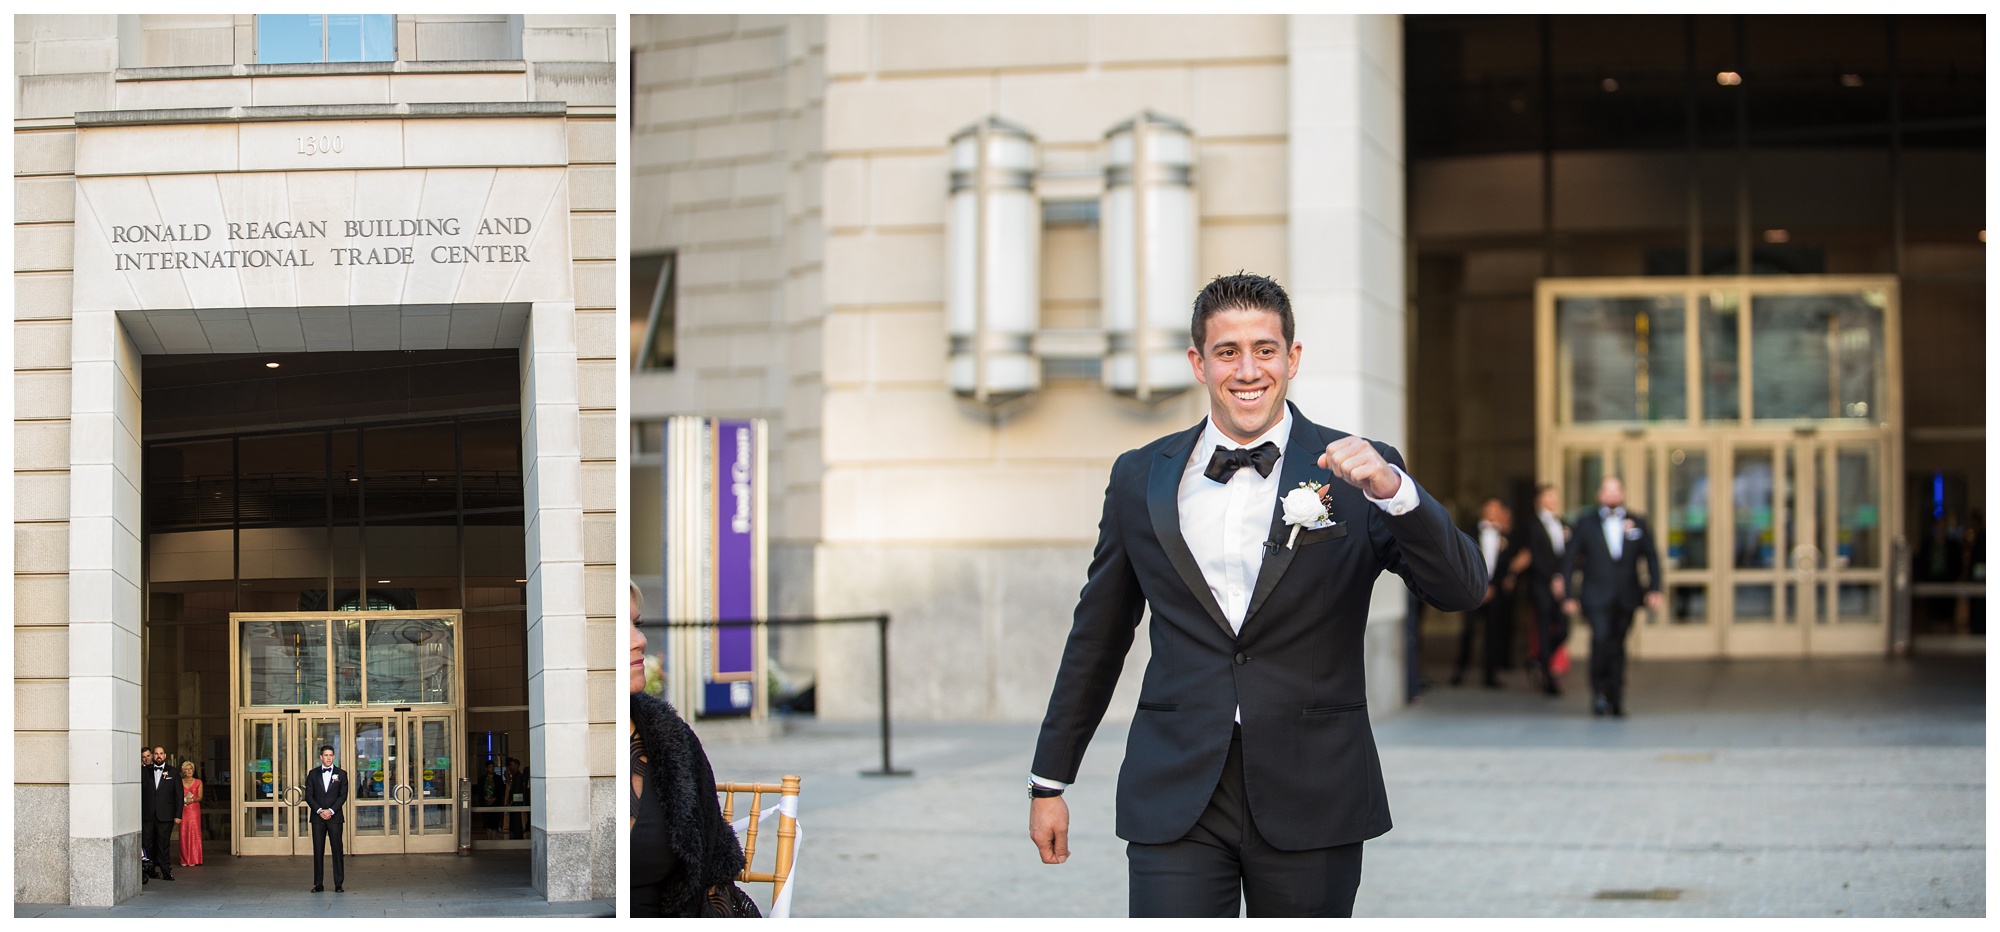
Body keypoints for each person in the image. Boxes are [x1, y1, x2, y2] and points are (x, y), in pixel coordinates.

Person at [1027, 274, 1488, 918]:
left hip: (1313, 788)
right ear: (1198, 363)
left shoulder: (1362, 471)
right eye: (1227, 352)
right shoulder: (1140, 476)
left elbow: (1464, 589)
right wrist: (1050, 779)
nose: (1248, 370)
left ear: (1292, 358)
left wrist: (1397, 492)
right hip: (1178, 788)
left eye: (1266, 350)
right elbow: (1098, 635)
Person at [628, 581, 753, 917]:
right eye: (617, 630)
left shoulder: (673, 738)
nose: (640, 641)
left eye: (636, 625)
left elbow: (712, 871)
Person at [1561, 476, 1662, 717]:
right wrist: (1568, 594)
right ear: (1599, 495)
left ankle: (1616, 696)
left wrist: (1655, 589)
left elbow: (1652, 556)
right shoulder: (1585, 523)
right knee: (1601, 639)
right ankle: (1599, 693)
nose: (1612, 494)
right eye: (1607, 490)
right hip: (1596, 595)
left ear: (1623, 493)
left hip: (1626, 595)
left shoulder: (1637, 521)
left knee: (1618, 646)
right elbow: (1569, 560)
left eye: (1616, 490)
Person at [1453, 497, 1521, 689]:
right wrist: (1477, 587)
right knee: (1468, 631)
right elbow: (1462, 561)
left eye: (1496, 509)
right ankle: (1460, 670)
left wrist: (1494, 587)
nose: (1493, 512)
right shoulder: (1469, 531)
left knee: (1493, 634)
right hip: (1472, 590)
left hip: (1495, 591)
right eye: (1489, 508)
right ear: (1483, 510)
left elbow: (1509, 565)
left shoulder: (1508, 535)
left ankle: (1490, 675)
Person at [1522, 484, 1572, 696]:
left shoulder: (1564, 523)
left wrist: (1563, 578)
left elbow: (1570, 556)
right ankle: (1548, 677)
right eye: (1548, 497)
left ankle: (1539, 660)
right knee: (1543, 628)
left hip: (1562, 585)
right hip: (1542, 585)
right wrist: (1552, 579)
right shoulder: (1533, 526)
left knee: (1563, 627)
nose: (1552, 500)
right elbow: (1537, 558)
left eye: (1555, 497)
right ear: (1540, 500)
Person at [303, 744, 348, 892]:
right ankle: (318, 884)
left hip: (335, 818)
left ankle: (338, 883)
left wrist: (331, 811)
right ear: (321, 757)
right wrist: (319, 810)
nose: (328, 758)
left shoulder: (341, 774)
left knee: (337, 850)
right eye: (325, 755)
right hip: (318, 818)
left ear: (334, 757)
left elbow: (343, 796)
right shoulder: (313, 774)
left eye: (331, 755)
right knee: (318, 850)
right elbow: (309, 795)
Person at [141, 745, 182, 882]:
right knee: (147, 844)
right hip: (148, 814)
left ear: (165, 756)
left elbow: (178, 795)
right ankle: (149, 871)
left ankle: (166, 871)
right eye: (156, 754)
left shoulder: (173, 772)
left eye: (161, 753)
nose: (158, 756)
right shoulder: (144, 771)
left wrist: (178, 815)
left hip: (165, 815)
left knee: (163, 844)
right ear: (153, 756)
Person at [178, 760, 204, 867]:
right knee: (183, 832)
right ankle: (184, 859)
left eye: (190, 769)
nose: (189, 771)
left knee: (194, 832)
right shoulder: (179, 782)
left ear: (193, 770)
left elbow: (200, 797)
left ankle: (195, 857)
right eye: (186, 769)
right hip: (183, 809)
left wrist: (192, 800)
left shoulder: (199, 782)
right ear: (183, 771)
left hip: (194, 809)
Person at [139, 747, 158, 883]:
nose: (147, 758)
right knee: (147, 842)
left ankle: (156, 868)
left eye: (148, 755)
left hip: (159, 812)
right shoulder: (140, 772)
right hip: (145, 812)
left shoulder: (160, 770)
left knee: (159, 842)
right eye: (144, 757)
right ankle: (148, 869)